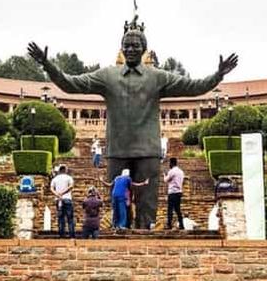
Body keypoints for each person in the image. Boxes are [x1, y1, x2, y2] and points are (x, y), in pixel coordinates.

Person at [28, 19, 237, 228]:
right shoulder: (107, 76)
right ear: (121, 48)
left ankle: (145, 243)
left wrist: (217, 76)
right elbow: (70, 84)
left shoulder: (157, 77)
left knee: (147, 207)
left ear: (144, 49)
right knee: (118, 203)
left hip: (147, 151)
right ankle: (120, 240)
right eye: (126, 45)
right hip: (117, 150)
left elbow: (193, 87)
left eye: (135, 45)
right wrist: (48, 65)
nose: (130, 49)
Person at [50, 165, 75, 238]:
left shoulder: (55, 179)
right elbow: (71, 186)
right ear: (65, 170)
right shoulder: (68, 177)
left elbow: (51, 188)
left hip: (59, 200)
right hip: (67, 199)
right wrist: (63, 193)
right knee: (70, 218)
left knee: (61, 218)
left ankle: (61, 235)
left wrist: (57, 194)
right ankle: (71, 236)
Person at [164, 157, 185, 230]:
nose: (169, 164)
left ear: (172, 163)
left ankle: (169, 225)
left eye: (169, 163)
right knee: (178, 210)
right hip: (179, 192)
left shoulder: (172, 171)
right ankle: (181, 225)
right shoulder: (181, 171)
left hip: (172, 192)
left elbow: (166, 180)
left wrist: (164, 175)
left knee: (170, 209)